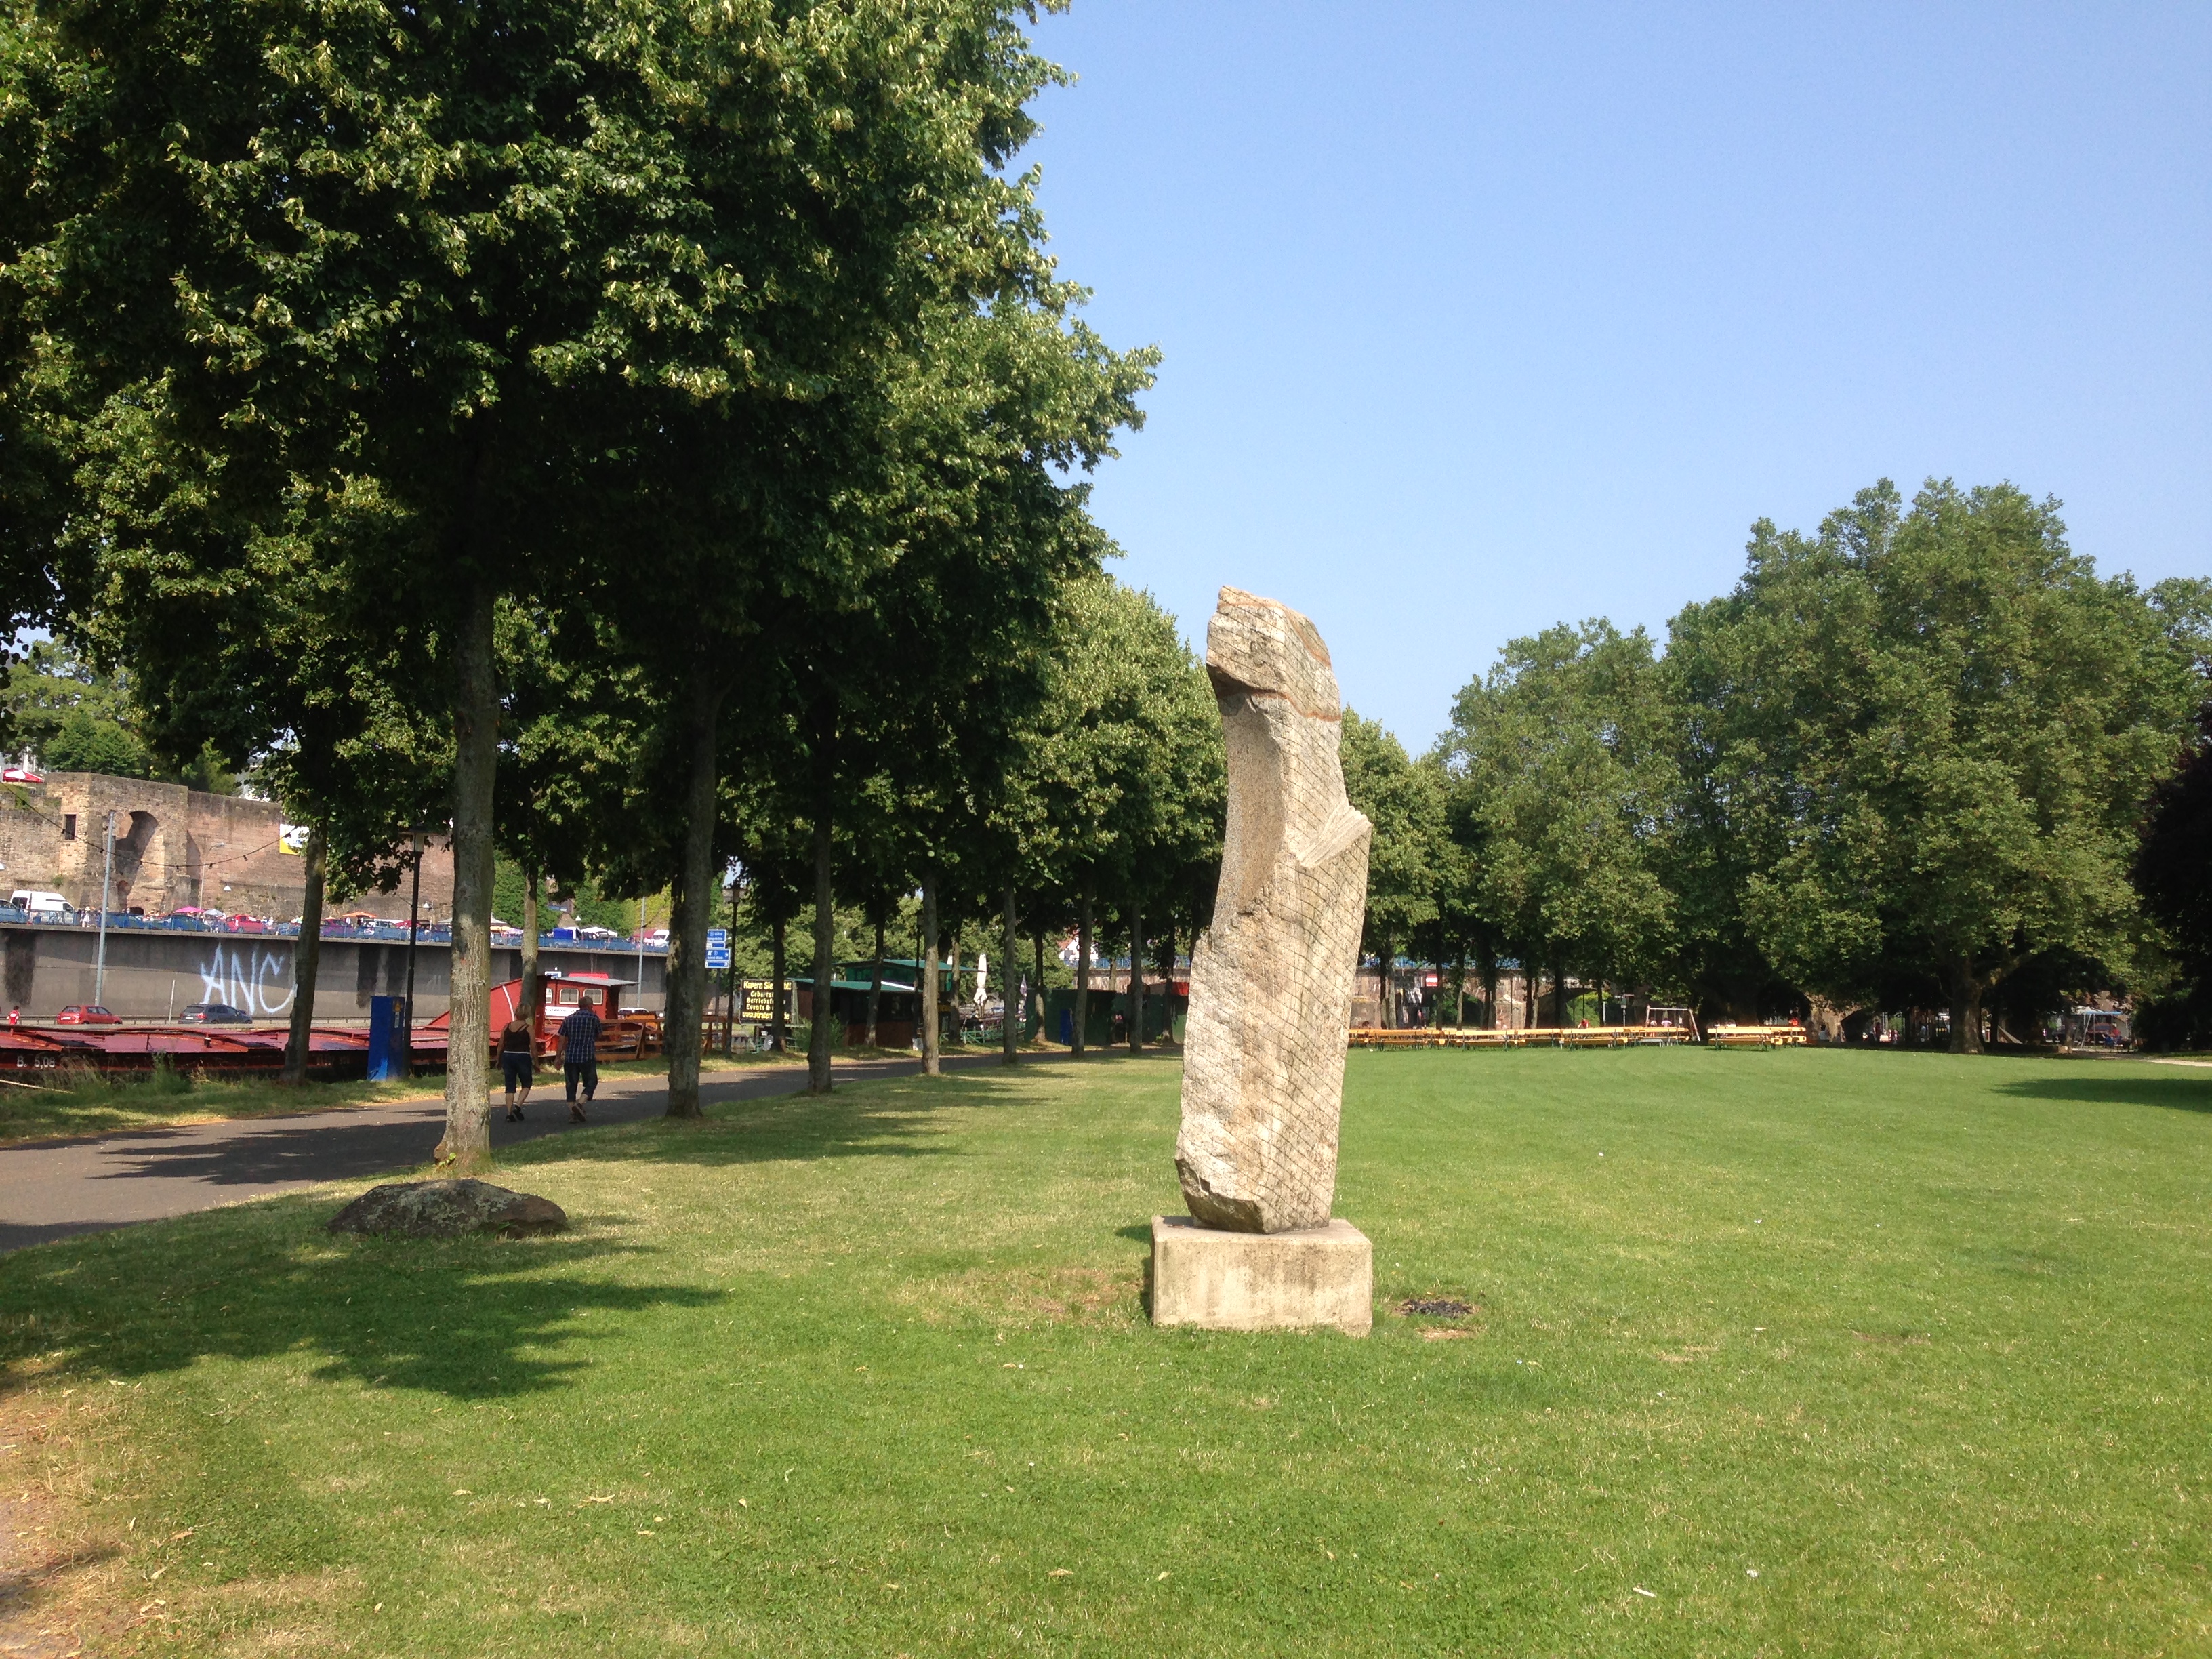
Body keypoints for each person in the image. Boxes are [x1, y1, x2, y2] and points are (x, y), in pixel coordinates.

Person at [560, 995, 602, 1120]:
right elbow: (599, 1034)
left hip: (571, 1056)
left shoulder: (568, 1019)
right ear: (590, 1006)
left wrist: (558, 1056)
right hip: (587, 1055)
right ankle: (580, 1103)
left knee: (571, 1085)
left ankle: (572, 1114)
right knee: (592, 1081)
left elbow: (562, 1039)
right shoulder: (594, 1018)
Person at [499, 1010, 535, 1122]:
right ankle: (518, 1106)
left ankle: (509, 1114)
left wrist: (499, 1059)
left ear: (516, 1014)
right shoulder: (528, 1028)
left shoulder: (507, 1027)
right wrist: (536, 1063)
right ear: (527, 1015)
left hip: (508, 1056)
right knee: (527, 1083)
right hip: (523, 1056)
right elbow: (533, 1047)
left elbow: (501, 1044)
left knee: (510, 1085)